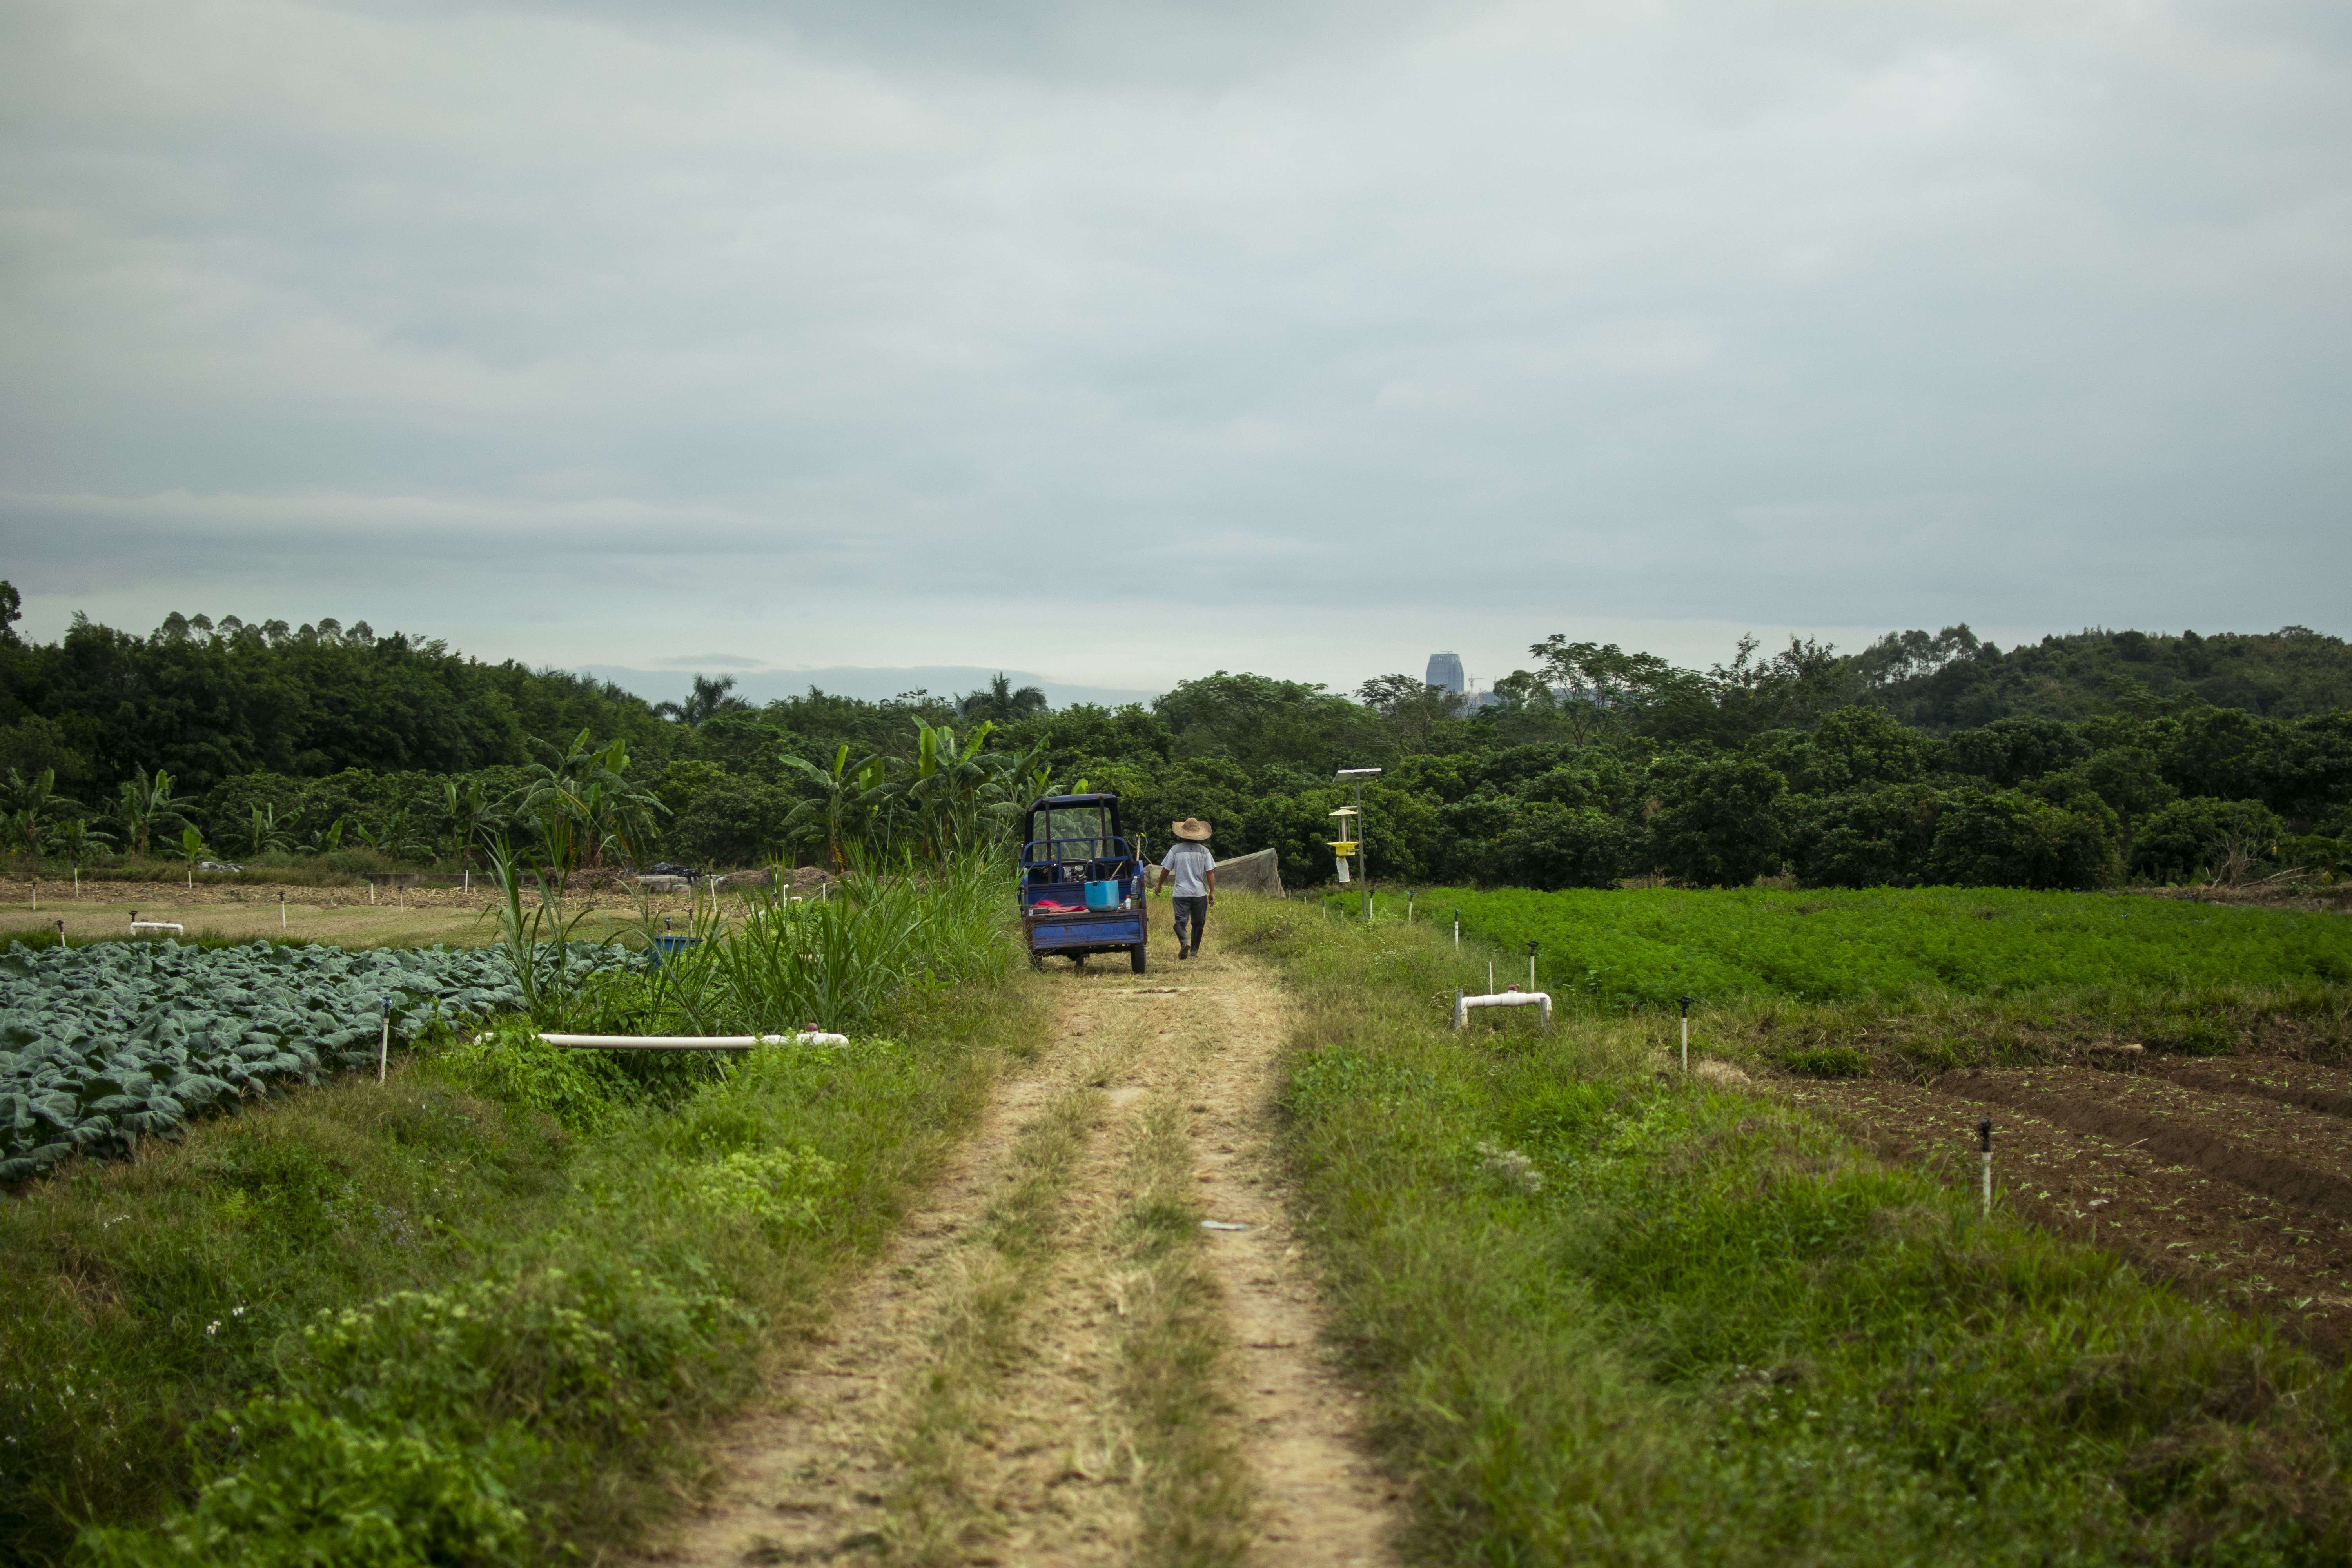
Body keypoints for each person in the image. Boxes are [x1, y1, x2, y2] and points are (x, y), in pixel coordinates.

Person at [1160, 818, 1216, 959]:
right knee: (1199, 923)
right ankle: (1194, 952)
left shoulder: (1176, 850)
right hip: (1199, 893)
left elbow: (1166, 869)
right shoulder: (1204, 851)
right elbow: (1210, 872)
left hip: (1181, 894)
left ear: (1182, 833)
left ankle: (1185, 942)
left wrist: (1159, 885)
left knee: (1180, 922)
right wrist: (1213, 892)